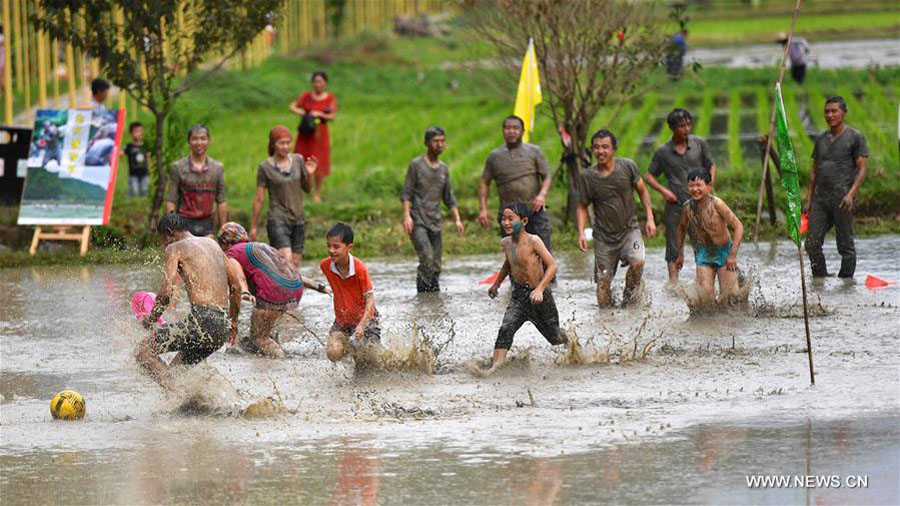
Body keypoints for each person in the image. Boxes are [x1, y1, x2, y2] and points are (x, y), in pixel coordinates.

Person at [136, 213, 234, 387]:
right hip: (223, 326)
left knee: (143, 352)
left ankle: (177, 394)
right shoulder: (212, 244)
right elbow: (236, 286)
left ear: (169, 232)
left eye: (163, 241)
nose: (164, 246)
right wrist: (234, 323)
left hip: (203, 321)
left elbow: (165, 294)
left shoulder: (175, 248)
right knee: (174, 373)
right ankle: (194, 401)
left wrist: (150, 320)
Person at [217, 222, 330, 359]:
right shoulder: (262, 247)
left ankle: (286, 364)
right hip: (294, 287)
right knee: (260, 335)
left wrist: (244, 294)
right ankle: (269, 355)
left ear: (223, 243)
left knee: (260, 338)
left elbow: (239, 277)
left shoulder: (232, 253)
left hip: (273, 292)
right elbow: (286, 272)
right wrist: (319, 287)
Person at [576, 129, 657, 308]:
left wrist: (650, 218)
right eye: (596, 147)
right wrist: (581, 232)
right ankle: (606, 317)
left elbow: (643, 191)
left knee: (638, 262)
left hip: (629, 230)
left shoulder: (627, 167)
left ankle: (629, 300)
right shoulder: (587, 177)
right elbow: (582, 206)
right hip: (603, 237)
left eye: (605, 147)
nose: (600, 151)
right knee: (603, 284)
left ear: (614, 148)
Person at [486, 202, 566, 369]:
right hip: (519, 296)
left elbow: (552, 265)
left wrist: (540, 289)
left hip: (540, 297)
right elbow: (509, 264)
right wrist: (496, 284)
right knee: (506, 328)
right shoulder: (506, 243)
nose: (506, 223)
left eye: (511, 219)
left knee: (555, 336)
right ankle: (495, 368)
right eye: (503, 219)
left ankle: (576, 352)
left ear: (524, 221)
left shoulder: (533, 241)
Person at [644, 108, 717, 283]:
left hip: (700, 203)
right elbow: (649, 176)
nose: (686, 129)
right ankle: (674, 284)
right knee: (673, 243)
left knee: (705, 240)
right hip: (675, 204)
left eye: (688, 125)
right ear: (672, 128)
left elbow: (711, 165)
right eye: (681, 126)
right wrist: (664, 191)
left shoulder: (698, 144)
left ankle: (705, 281)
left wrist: (709, 185)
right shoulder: (663, 152)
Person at [804, 96, 868, 278]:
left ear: (843, 113)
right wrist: (809, 200)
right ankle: (820, 279)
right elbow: (814, 172)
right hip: (820, 199)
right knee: (812, 243)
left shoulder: (855, 137)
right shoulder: (820, 139)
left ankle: (846, 283)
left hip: (842, 198)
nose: (830, 115)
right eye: (827, 111)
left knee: (845, 246)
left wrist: (851, 194)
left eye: (834, 111)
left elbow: (862, 170)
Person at [401, 126, 464, 292]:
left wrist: (457, 219)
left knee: (436, 264)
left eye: (442, 141)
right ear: (426, 143)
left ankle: (432, 297)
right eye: (436, 141)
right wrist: (407, 216)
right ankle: (422, 293)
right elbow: (406, 193)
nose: (440, 145)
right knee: (427, 258)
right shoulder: (416, 165)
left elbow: (449, 197)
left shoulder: (443, 169)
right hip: (418, 221)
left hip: (435, 221)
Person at [478, 115, 553, 251]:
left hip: (534, 210)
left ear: (523, 131)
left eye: (515, 128)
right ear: (503, 131)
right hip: (509, 215)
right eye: (507, 128)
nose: (511, 131)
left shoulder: (534, 151)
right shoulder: (494, 156)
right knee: (514, 255)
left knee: (543, 253)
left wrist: (542, 195)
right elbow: (484, 182)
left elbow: (547, 175)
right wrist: (483, 209)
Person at [251, 125, 318, 268]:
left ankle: (287, 284)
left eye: (288, 142)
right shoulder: (265, 167)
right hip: (277, 219)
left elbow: (307, 189)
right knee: (286, 261)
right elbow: (259, 199)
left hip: (298, 219)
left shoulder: (298, 160)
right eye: (281, 143)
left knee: (295, 263)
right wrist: (253, 227)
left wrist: (310, 174)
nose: (286, 147)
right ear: (273, 144)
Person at [674, 169, 744, 305]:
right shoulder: (687, 207)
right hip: (703, 253)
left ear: (709, 186)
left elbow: (738, 227)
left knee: (730, 298)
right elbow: (681, 228)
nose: (695, 189)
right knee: (705, 298)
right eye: (691, 186)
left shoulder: (717, 204)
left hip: (724, 252)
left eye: (698, 185)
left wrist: (732, 255)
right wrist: (680, 254)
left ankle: (738, 281)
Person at [320, 223, 380, 362]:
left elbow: (370, 299)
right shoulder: (325, 266)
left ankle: (356, 353)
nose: (331, 250)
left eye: (336, 247)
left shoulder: (360, 269)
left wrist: (362, 325)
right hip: (343, 320)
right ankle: (351, 349)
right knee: (333, 353)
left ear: (349, 247)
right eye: (328, 246)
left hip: (366, 320)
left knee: (369, 361)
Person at [165, 124, 227, 237]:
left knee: (208, 247)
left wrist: (224, 230)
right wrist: (171, 227)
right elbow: (171, 200)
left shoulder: (217, 168)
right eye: (195, 139)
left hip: (208, 224)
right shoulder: (178, 167)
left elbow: (221, 200)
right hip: (183, 223)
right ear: (189, 141)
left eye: (203, 138)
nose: (199, 143)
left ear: (209, 141)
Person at [289, 71, 337, 203]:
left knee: (319, 162)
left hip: (320, 135)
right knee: (300, 161)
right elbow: (292, 106)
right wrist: (303, 113)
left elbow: (332, 116)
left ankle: (317, 193)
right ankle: (300, 191)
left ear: (325, 83)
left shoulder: (330, 98)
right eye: (315, 81)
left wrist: (320, 114)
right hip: (305, 134)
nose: (317, 84)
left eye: (320, 81)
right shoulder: (306, 96)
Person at [124, 122, 149, 197]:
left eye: (140, 131)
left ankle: (142, 203)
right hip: (133, 174)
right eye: (136, 131)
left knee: (144, 190)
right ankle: (132, 202)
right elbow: (121, 152)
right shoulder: (128, 146)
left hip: (144, 173)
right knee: (133, 191)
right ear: (131, 133)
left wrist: (150, 169)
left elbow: (149, 157)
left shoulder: (146, 145)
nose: (138, 134)